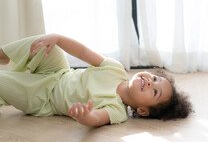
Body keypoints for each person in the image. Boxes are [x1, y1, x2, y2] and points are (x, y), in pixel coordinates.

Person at [0, 34, 192, 126]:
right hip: (59, 73)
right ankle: (3, 54)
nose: (151, 82)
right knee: (46, 44)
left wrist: (85, 117)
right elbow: (83, 52)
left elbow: (97, 119)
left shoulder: (117, 110)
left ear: (142, 111)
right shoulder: (115, 68)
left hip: (45, 98)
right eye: (156, 79)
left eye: (155, 92)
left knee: (3, 82)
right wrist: (57, 38)